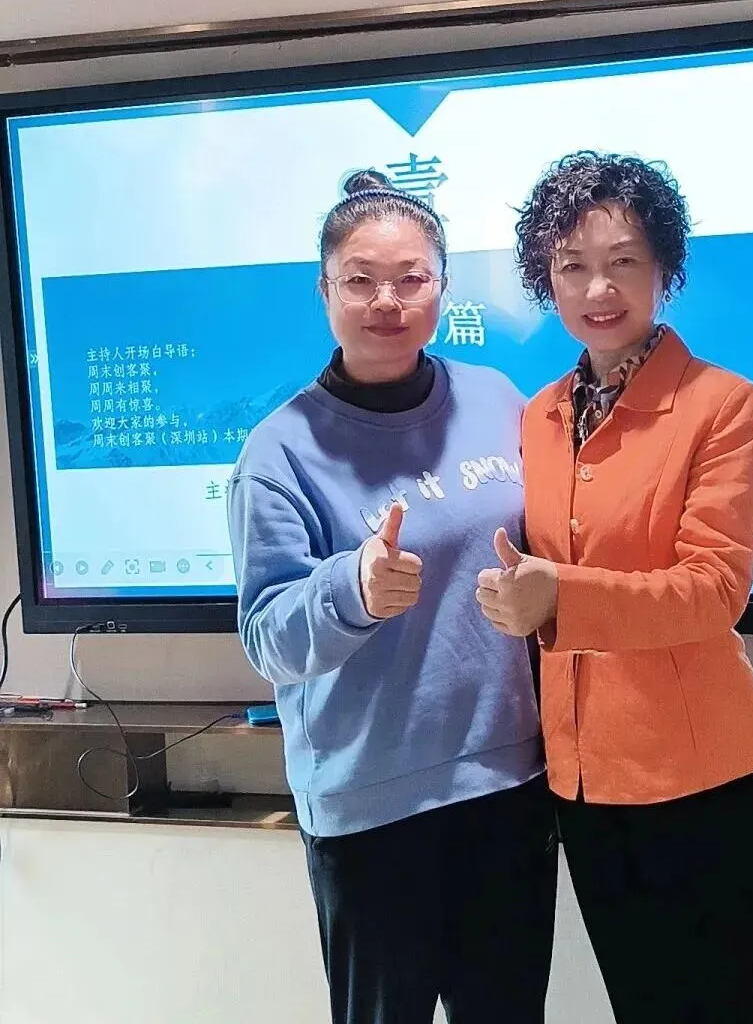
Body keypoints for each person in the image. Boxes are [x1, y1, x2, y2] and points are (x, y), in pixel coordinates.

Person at [227, 169, 555, 1024]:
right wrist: (354, 588)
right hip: (372, 808)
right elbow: (266, 637)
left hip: (508, 784)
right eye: (360, 281)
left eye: (411, 279)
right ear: (324, 292)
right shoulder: (280, 451)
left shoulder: (495, 398)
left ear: (442, 285)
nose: (387, 301)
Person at [476, 151, 753, 1024]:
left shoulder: (723, 405)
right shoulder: (540, 416)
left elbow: (714, 588)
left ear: (663, 268)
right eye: (572, 266)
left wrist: (558, 598)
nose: (597, 288)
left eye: (623, 262)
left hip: (697, 777)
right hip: (580, 779)